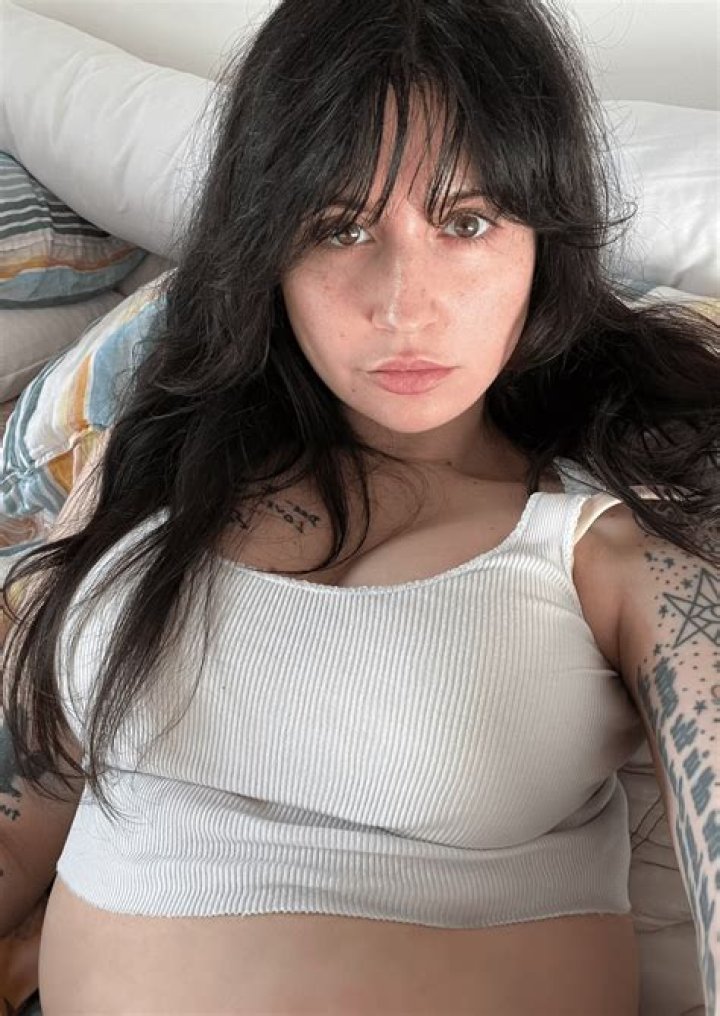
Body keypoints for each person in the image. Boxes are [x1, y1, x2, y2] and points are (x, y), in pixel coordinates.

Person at [1, 0, 718, 1013]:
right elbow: (29, 808)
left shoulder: (612, 552)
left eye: (466, 222)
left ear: (544, 243)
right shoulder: (147, 468)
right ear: (268, 253)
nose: (402, 302)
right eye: (339, 227)